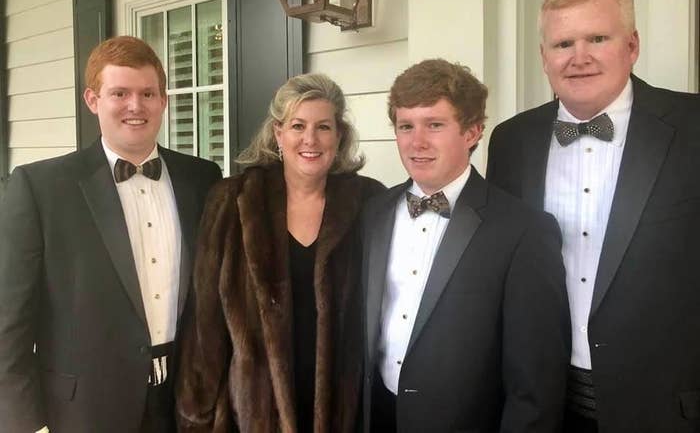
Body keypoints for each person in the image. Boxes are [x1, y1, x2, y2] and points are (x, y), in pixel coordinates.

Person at [487, 0, 700, 433]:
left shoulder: (693, 128)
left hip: (666, 408)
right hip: (544, 404)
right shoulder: (510, 141)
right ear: (544, 57)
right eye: (563, 44)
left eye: (597, 38)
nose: (578, 58)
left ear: (632, 46)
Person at [0, 36, 222, 433]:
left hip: (186, 402)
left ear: (163, 101)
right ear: (92, 100)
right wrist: (22, 422)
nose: (136, 106)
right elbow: (9, 319)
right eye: (120, 92)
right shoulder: (40, 187)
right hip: (83, 410)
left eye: (148, 93)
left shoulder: (202, 179)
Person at [360, 59, 570, 433]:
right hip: (376, 415)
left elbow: (535, 385)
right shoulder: (373, 212)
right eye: (405, 126)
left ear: (472, 131)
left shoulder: (523, 231)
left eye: (434, 125)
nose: (416, 142)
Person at [175, 73, 385, 432]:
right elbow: (204, 321)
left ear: (339, 136)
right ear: (278, 134)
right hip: (252, 415)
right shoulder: (233, 202)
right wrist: (196, 416)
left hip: (344, 412)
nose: (310, 139)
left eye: (324, 127)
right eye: (297, 125)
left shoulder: (368, 202)